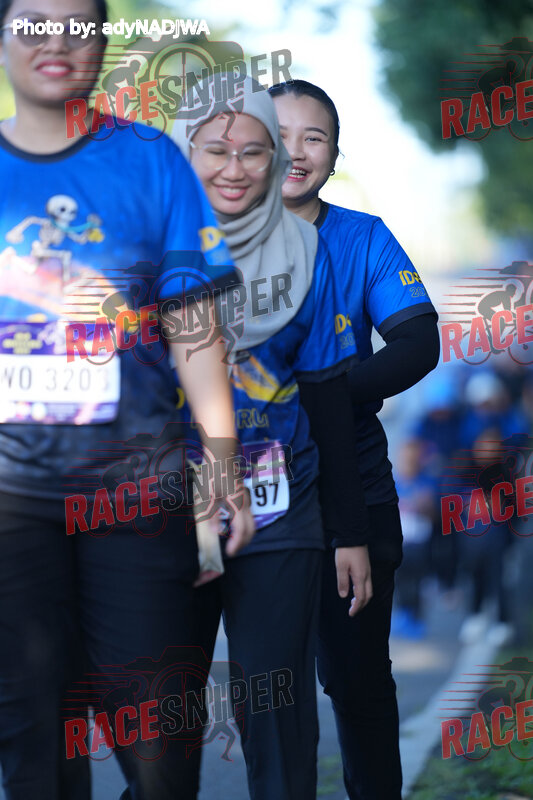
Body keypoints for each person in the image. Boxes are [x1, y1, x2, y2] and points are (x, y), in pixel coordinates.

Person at [0, 2, 254, 799]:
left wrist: (221, 462)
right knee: (33, 736)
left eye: (77, 25)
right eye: (33, 23)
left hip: (135, 487)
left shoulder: (149, 159)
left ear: (103, 42)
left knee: (157, 741)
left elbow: (193, 329)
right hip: (9, 498)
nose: (56, 41)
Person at [172, 75, 373, 800]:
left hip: (281, 510)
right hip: (165, 510)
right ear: (185, 153)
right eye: (215, 149)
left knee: (276, 706)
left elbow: (327, 399)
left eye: (254, 150)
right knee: (160, 717)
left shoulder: (306, 252)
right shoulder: (145, 247)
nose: (236, 166)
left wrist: (349, 532)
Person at [270, 79, 440, 800]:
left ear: (334, 156)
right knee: (264, 685)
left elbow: (417, 341)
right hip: (252, 497)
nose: (295, 152)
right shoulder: (207, 239)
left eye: (313, 138)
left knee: (357, 679)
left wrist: (328, 395)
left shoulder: (362, 237)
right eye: (278, 134)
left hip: (354, 491)